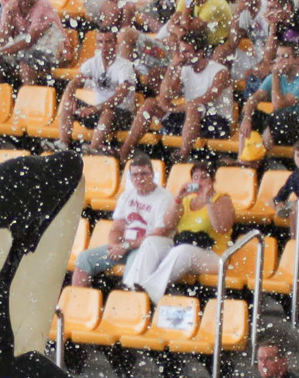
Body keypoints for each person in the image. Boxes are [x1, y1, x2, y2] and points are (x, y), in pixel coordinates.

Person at [126, 164, 233, 301]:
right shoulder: (187, 200)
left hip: (214, 255)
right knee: (151, 242)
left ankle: (149, 291)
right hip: (184, 247)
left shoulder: (222, 199)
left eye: (204, 178)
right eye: (196, 178)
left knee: (183, 250)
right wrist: (178, 198)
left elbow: (222, 227)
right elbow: (168, 224)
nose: (199, 182)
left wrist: (208, 202)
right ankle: (133, 289)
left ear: (212, 181)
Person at [74, 152, 174, 285]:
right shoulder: (126, 196)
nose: (139, 178)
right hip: (126, 246)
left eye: (143, 174)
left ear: (152, 175)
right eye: (135, 175)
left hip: (148, 250)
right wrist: (115, 245)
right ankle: (81, 302)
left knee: (132, 271)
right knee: (84, 259)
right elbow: (117, 227)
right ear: (130, 177)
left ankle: (130, 300)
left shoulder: (165, 198)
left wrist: (125, 246)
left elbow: (160, 233)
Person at [57, 26, 136, 154]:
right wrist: (70, 98)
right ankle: (63, 144)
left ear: (116, 44)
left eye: (108, 42)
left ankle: (93, 149)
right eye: (100, 42)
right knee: (68, 104)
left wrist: (94, 109)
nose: (104, 46)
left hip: (123, 115)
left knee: (108, 111)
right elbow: (74, 83)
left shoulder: (125, 66)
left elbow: (120, 95)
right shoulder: (91, 63)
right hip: (98, 112)